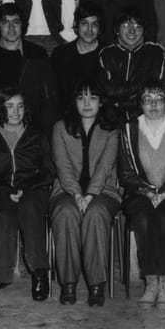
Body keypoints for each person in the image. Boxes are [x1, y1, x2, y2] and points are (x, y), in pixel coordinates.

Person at [117, 80, 165, 309]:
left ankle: (164, 283)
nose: (153, 105)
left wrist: (164, 192)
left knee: (164, 216)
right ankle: (150, 282)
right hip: (139, 194)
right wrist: (148, 192)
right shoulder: (128, 130)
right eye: (147, 99)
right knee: (142, 217)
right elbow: (126, 173)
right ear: (140, 103)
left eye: (159, 99)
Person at [0, 88, 54, 301]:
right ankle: (1, 276)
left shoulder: (37, 135)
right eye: (9, 106)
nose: (16, 111)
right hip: (0, 191)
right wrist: (5, 192)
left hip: (32, 190)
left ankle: (39, 273)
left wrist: (25, 188)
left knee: (30, 209)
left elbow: (48, 172)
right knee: (4, 215)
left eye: (20, 106)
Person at [50, 80, 120, 307]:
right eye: (81, 98)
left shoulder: (112, 129)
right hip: (66, 189)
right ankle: (68, 283)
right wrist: (76, 194)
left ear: (101, 102)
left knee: (95, 213)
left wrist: (89, 195)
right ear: (74, 102)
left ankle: (96, 285)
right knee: (65, 212)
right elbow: (62, 165)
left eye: (93, 98)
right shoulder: (60, 127)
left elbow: (105, 166)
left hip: (103, 190)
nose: (87, 103)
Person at [0, 3, 58, 133]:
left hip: (31, 129)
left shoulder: (37, 54)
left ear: (22, 25)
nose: (11, 27)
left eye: (16, 22)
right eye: (5, 22)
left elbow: (48, 99)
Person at [97, 7, 165, 123]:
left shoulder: (155, 53)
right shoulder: (106, 54)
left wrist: (119, 104)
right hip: (113, 121)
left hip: (146, 120)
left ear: (144, 30)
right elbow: (107, 92)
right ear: (117, 29)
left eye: (137, 26)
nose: (132, 31)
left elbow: (153, 93)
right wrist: (140, 85)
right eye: (126, 25)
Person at [51, 3, 106, 113]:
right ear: (76, 25)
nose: (90, 29)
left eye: (94, 24)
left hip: (101, 115)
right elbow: (55, 94)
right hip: (67, 115)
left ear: (100, 28)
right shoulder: (60, 54)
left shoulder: (108, 53)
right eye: (84, 23)